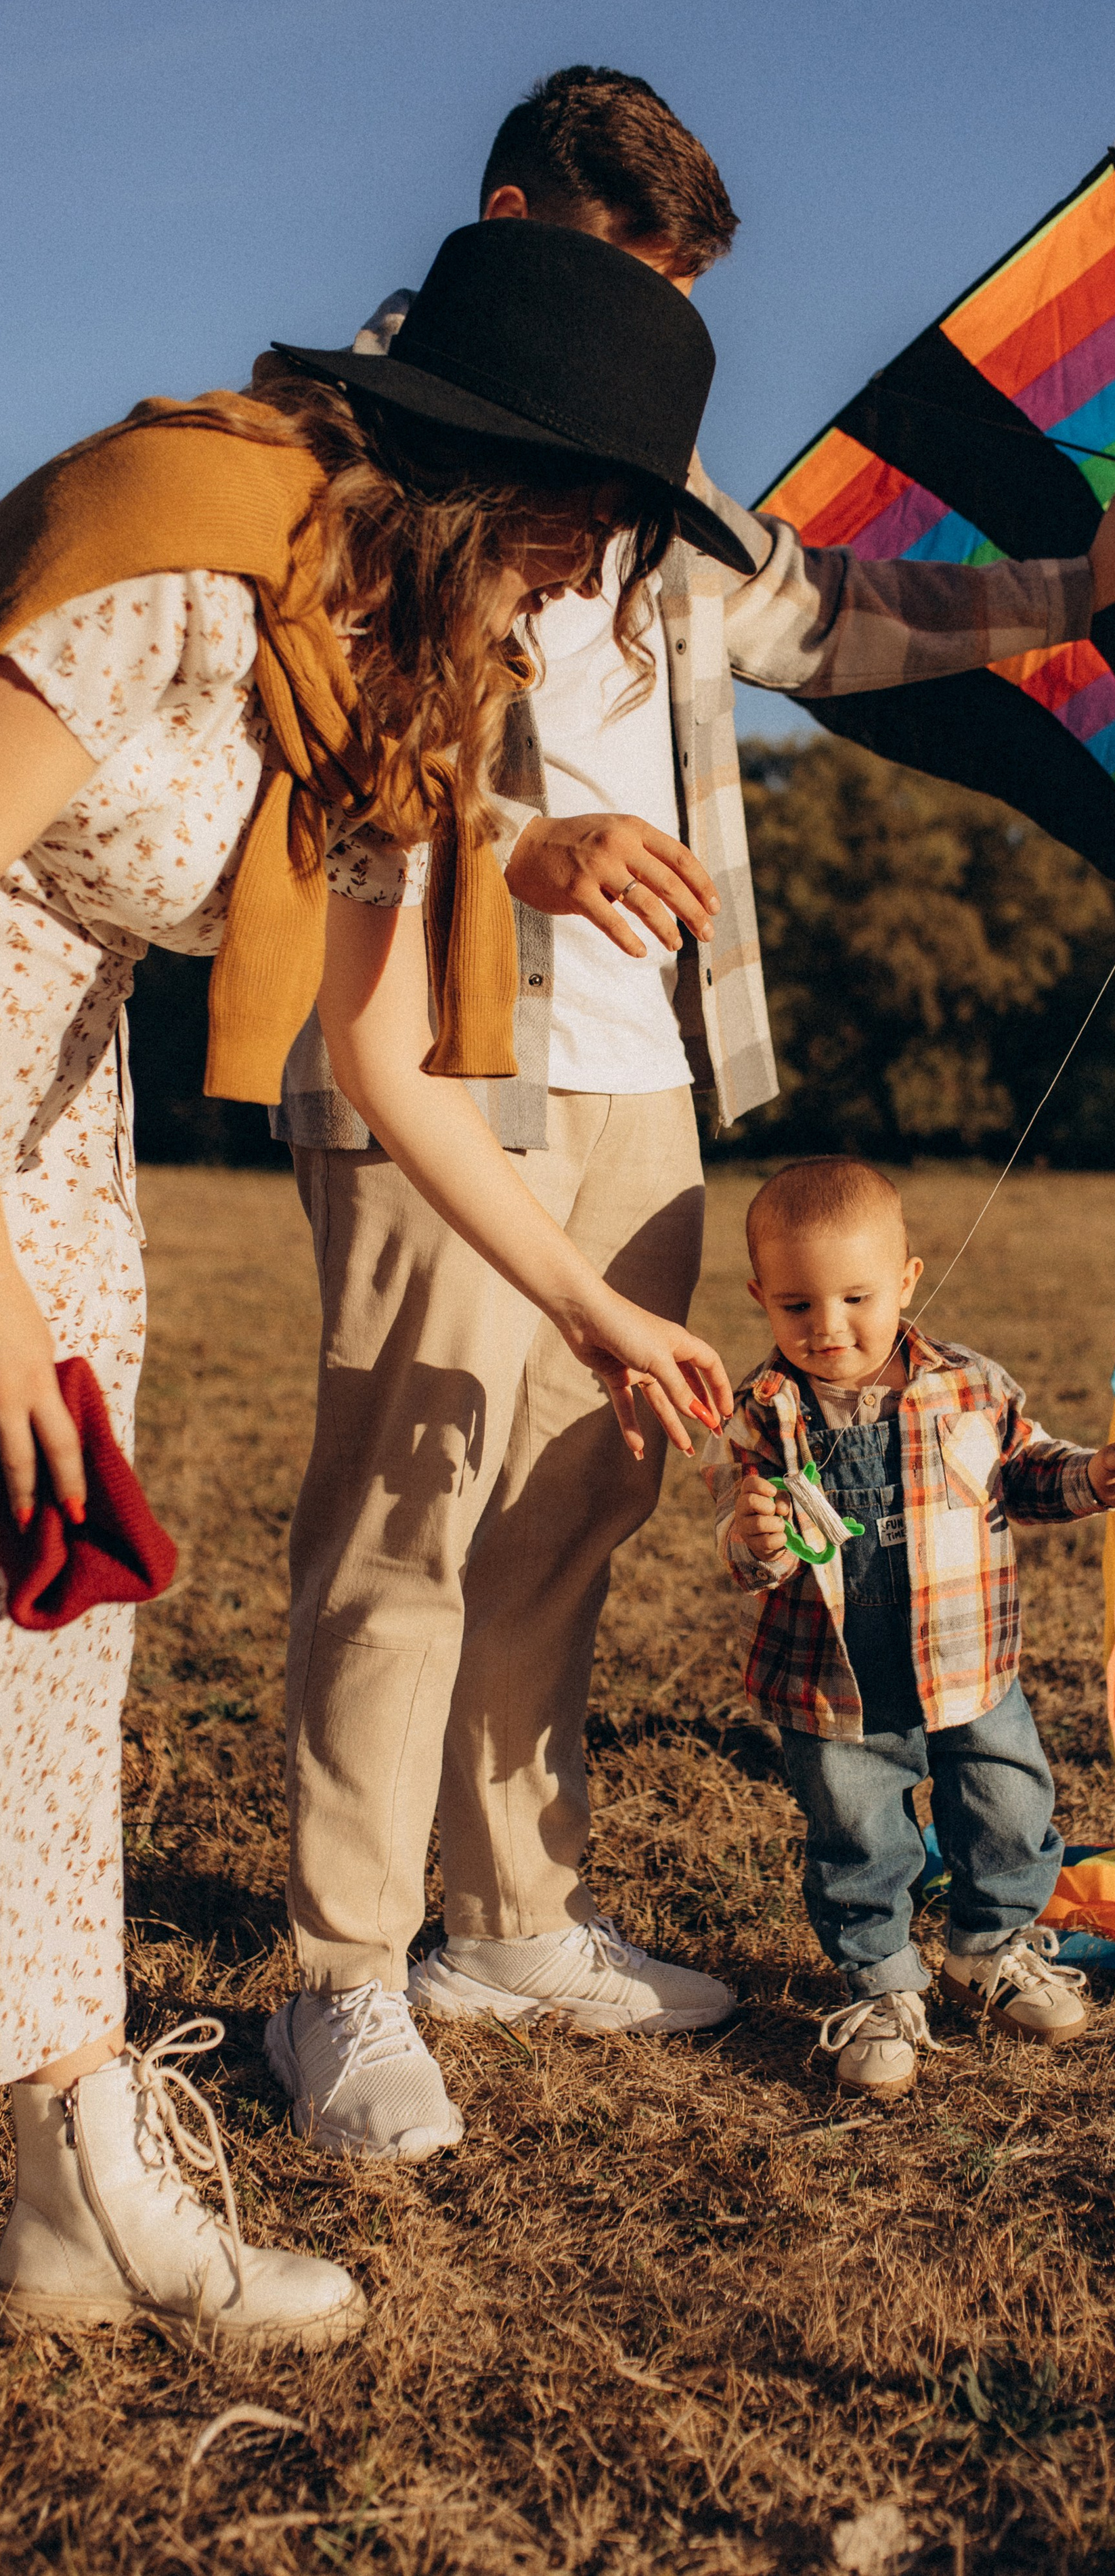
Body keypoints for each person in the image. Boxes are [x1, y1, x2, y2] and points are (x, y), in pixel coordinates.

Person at [267, 64, 1115, 2158]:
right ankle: (336, 1977)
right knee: (409, 1516)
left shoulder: (665, 506)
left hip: (645, 1081)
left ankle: (507, 1922)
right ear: (514, 219)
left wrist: (1078, 583)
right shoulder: (363, 467)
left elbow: (851, 615)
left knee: (576, 1510)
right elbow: (315, 750)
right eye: (636, 273)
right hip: (432, 1056)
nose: (663, 339)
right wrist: (521, 834)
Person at [0, 219, 738, 2341]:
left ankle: (71, 2191)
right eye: (592, 517)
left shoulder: (381, 655)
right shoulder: (174, 550)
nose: (594, 577)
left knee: (50, 1675)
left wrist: (594, 1309)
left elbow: (381, 1046)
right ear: (487, 469)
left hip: (54, 1149)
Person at [703, 1159, 1115, 2100]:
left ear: (908, 1281)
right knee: (857, 1834)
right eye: (795, 1306)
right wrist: (752, 1541)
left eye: (855, 1298)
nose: (826, 1329)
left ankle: (990, 1949)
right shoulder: (761, 1416)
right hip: (834, 1686)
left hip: (969, 1666)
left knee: (1006, 1805)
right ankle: (879, 1984)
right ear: (759, 1296)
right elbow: (747, 1539)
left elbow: (1026, 1472)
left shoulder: (968, 1386)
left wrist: (1097, 1478)